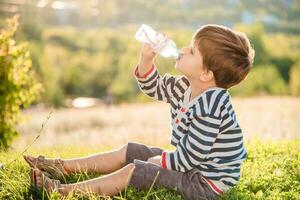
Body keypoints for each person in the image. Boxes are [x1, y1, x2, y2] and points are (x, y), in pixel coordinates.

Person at [24, 24, 255, 200]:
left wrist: (159, 161)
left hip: (205, 182)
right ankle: (62, 166)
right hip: (193, 166)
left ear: (206, 74)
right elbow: (152, 86)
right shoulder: (184, 86)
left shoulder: (212, 106)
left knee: (136, 170)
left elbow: (191, 158)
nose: (183, 49)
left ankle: (62, 191)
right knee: (130, 151)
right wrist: (146, 58)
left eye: (192, 51)